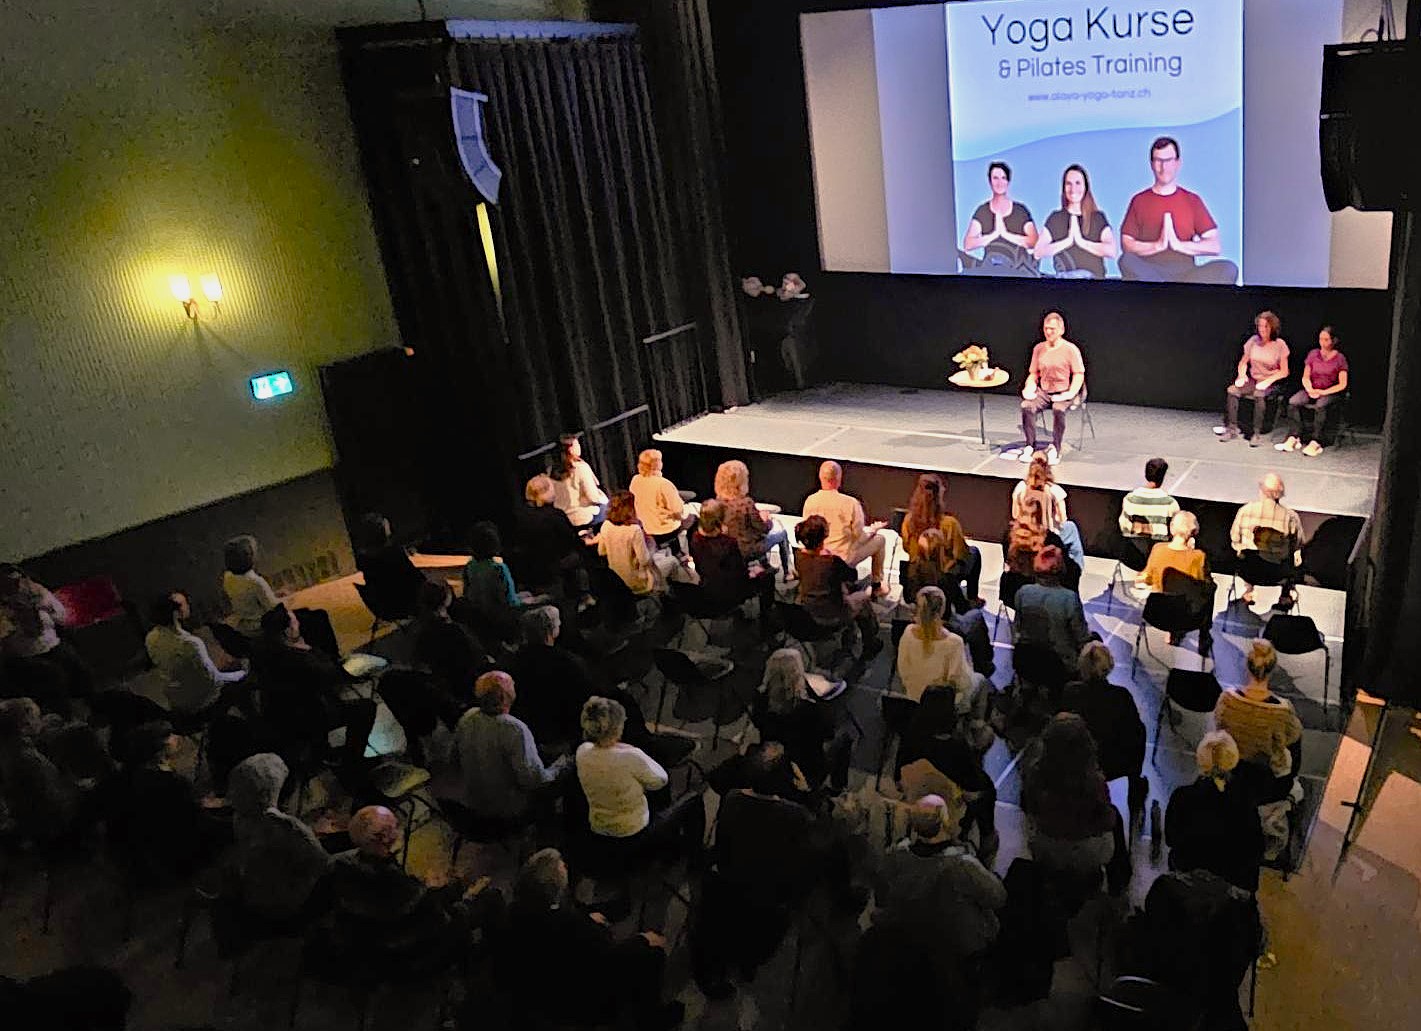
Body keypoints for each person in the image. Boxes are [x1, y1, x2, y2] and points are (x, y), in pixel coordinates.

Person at [499, 848, 682, 1030]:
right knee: (653, 954)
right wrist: (643, 940)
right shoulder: (575, 927)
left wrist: (587, 918)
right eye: (562, 867)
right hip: (579, 1004)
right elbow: (610, 962)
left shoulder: (513, 915)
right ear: (555, 886)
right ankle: (651, 1019)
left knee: (604, 913)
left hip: (534, 992)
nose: (566, 867)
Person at [872, 794, 1006, 961]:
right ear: (945, 822)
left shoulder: (895, 857)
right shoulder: (963, 865)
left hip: (908, 942)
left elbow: (881, 897)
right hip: (957, 952)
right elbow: (998, 897)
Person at [97, 720, 227, 881]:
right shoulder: (170, 782)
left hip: (145, 853)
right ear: (158, 747)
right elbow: (195, 818)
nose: (176, 737)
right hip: (175, 853)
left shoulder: (125, 778)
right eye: (169, 735)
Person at [575, 695, 704, 855]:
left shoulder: (582, 752)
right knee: (694, 800)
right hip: (633, 834)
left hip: (597, 831)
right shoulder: (631, 756)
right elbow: (660, 780)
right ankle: (691, 857)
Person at [253, 604, 376, 769]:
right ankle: (352, 762)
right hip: (306, 717)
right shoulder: (297, 658)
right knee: (365, 709)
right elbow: (332, 675)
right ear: (288, 631)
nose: (299, 625)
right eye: (295, 622)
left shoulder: (264, 653)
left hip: (281, 718)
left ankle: (323, 751)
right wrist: (310, 650)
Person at [227, 753, 333, 921]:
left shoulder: (241, 817)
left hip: (252, 893)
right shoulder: (288, 829)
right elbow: (322, 863)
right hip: (283, 906)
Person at [1118, 136, 1237, 284]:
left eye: (1168, 160)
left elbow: (1214, 246)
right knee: (1126, 260)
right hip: (1150, 272)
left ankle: (1170, 291)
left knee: (1228, 268)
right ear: (1152, 164)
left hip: (1187, 276)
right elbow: (1127, 244)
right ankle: (1162, 289)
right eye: (1158, 161)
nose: (1163, 167)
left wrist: (1179, 245)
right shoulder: (1139, 200)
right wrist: (1158, 245)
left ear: (1177, 163)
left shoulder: (1192, 200)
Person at [455, 670, 567, 824]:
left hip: (475, 805)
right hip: (508, 811)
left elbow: (454, 757)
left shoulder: (467, 717)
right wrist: (561, 764)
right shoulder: (514, 729)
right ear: (504, 697)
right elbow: (534, 781)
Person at [895, 687, 997, 857]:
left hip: (916, 795)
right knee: (987, 790)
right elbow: (973, 787)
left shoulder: (910, 735)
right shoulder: (956, 748)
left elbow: (898, 775)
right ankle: (987, 836)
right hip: (948, 802)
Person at [1020, 713, 1119, 881]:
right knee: (1115, 820)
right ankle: (1117, 880)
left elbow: (1028, 808)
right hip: (1085, 852)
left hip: (1046, 846)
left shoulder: (1035, 776)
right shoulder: (1094, 783)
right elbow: (1107, 821)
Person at [1061, 642, 1148, 828]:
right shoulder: (1122, 696)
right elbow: (1137, 734)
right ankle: (1136, 795)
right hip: (1116, 764)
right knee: (1139, 734)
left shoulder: (1071, 693)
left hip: (1082, 763)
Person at [1165, 731, 1265, 893]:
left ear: (1200, 761)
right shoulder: (1245, 803)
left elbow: (1170, 839)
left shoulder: (1182, 796)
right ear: (1233, 761)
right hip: (1230, 884)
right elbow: (1256, 849)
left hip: (1188, 878)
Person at [752, 648, 855, 792]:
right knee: (845, 737)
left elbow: (758, 722)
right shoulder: (808, 709)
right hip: (808, 766)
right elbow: (828, 733)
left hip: (775, 760)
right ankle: (838, 786)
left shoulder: (760, 700)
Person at [220, 535, 338, 657]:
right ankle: (330, 656)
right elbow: (275, 607)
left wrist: (273, 594)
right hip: (263, 626)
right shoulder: (255, 581)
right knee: (318, 617)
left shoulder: (228, 577)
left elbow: (249, 598)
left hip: (247, 626)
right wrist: (290, 597)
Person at [0, 564, 91, 712]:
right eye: (9, 583)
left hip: (52, 644)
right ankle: (63, 715)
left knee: (78, 667)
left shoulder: (35, 592)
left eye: (18, 580)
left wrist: (43, 604)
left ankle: (91, 707)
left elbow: (62, 618)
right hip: (23, 656)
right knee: (54, 676)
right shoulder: (4, 608)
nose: (17, 585)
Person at [901, 529, 993, 674]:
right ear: (941, 551)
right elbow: (962, 607)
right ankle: (984, 666)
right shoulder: (946, 579)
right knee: (976, 617)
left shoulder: (909, 571)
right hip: (943, 626)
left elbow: (907, 598)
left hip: (918, 622)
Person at [144, 591, 250, 716]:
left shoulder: (151, 638)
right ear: (176, 613)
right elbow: (213, 679)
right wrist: (242, 674)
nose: (188, 605)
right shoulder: (190, 643)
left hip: (176, 698)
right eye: (183, 603)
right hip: (201, 700)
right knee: (244, 677)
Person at [1213, 641, 1303, 787]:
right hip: (1267, 780)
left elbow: (1219, 728)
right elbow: (1293, 740)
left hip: (1231, 770)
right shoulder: (1282, 710)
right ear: (1273, 669)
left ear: (1247, 667)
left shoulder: (1226, 700)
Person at [793, 514, 882, 656]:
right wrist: (831, 556)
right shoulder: (832, 562)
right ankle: (871, 643)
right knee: (862, 598)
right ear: (824, 536)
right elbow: (852, 576)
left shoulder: (798, 556)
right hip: (832, 614)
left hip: (807, 611)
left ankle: (850, 637)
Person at [895, 588, 987, 722]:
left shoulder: (908, 633)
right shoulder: (954, 642)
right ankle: (976, 724)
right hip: (944, 704)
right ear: (942, 610)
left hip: (913, 698)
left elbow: (902, 670)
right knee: (981, 680)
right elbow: (961, 683)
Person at [0, 696, 81, 845]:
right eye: (37, 717)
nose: (41, 720)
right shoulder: (27, 758)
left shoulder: (11, 751)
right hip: (52, 828)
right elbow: (52, 799)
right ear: (25, 724)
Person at [802, 459, 887, 593]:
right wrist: (872, 530)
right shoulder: (850, 503)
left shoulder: (810, 501)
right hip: (842, 559)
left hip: (818, 554)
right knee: (880, 540)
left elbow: (806, 530)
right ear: (839, 479)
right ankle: (877, 586)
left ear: (820, 478)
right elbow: (859, 536)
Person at [689, 499, 774, 629]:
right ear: (721, 519)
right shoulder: (728, 543)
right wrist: (754, 572)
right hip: (732, 593)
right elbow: (740, 574)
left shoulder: (694, 538)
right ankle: (767, 623)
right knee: (768, 575)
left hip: (707, 589)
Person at [1013, 546, 1093, 679]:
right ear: (1061, 569)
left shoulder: (1023, 593)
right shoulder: (1069, 598)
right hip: (1062, 665)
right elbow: (1081, 637)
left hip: (1026, 660)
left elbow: (1018, 628)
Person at [1138, 511, 1215, 648]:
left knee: (1171, 594)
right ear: (1194, 532)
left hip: (1157, 614)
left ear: (1172, 528)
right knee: (1211, 589)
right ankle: (1204, 634)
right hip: (1189, 617)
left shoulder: (1158, 549)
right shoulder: (1199, 557)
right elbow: (1204, 585)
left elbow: (1147, 578)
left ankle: (1172, 632)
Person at [1016, 311, 1085, 465]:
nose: (1048, 332)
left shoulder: (1070, 349)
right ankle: (1029, 445)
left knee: (1058, 409)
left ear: (1061, 330)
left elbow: (1079, 374)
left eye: (1052, 329)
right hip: (1044, 391)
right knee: (1026, 406)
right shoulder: (1039, 348)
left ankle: (1056, 447)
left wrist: (1070, 393)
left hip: (1064, 391)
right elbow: (1034, 373)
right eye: (1046, 328)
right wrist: (1029, 387)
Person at [901, 473, 981, 602]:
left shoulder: (908, 521)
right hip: (944, 574)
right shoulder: (950, 524)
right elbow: (961, 554)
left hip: (917, 573)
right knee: (974, 552)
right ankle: (972, 597)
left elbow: (906, 547)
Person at [1229, 473, 1306, 606]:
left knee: (1243, 554)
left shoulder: (1245, 511)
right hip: (1278, 574)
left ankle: (1249, 590)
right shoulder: (1291, 517)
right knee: (1293, 557)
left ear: (1261, 491)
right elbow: (1298, 544)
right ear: (1280, 494)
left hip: (1248, 571)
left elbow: (1235, 538)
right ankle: (1285, 595)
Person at [512, 473, 590, 600]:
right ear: (547, 491)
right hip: (555, 566)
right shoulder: (555, 516)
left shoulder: (521, 517)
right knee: (580, 557)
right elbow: (571, 541)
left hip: (532, 568)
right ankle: (584, 597)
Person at [413, 578, 490, 706]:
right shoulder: (456, 630)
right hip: (468, 687)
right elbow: (478, 658)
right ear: (447, 598)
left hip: (443, 690)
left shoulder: (419, 631)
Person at [1034, 163, 1117, 278]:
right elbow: (1038, 252)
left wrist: (1081, 242)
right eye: (1069, 184)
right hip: (1063, 280)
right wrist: (1067, 241)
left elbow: (1112, 251)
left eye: (1078, 183)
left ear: (1085, 186)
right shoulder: (1056, 218)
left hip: (1092, 280)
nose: (1073, 189)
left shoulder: (1097, 218)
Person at [1219, 312, 1290, 445]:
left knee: (1259, 394)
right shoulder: (1253, 341)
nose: (1262, 329)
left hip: (1271, 382)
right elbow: (1243, 362)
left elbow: (1284, 371)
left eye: (1266, 326)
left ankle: (1256, 433)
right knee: (1232, 390)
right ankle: (1232, 428)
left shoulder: (1279, 344)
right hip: (1254, 379)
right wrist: (1242, 375)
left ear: (1272, 327)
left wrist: (1268, 381)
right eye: (1260, 326)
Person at [715, 459, 792, 579]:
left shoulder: (717, 504)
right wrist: (767, 520)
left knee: (754, 535)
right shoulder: (746, 504)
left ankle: (767, 566)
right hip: (749, 550)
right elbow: (763, 528)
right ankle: (788, 572)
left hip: (727, 550)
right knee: (781, 534)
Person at [1279, 325, 1349, 456]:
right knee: (1294, 401)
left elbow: (1342, 384)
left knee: (1321, 405)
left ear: (1333, 341)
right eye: (1321, 339)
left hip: (1330, 391)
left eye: (1326, 340)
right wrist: (1310, 389)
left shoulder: (1340, 358)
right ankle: (1295, 435)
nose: (1323, 342)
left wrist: (1323, 392)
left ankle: (1316, 440)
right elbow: (1305, 377)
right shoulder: (1313, 354)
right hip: (1312, 389)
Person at [596, 490, 682, 596]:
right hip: (638, 581)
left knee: (665, 553)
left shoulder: (606, 525)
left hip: (617, 579)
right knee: (673, 561)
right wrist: (651, 543)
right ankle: (672, 595)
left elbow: (601, 551)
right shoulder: (634, 530)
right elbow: (644, 560)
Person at [961, 160, 1038, 272]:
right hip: (989, 267)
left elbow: (1034, 241)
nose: (999, 182)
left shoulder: (1020, 211)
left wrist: (1006, 234)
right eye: (995, 178)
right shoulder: (982, 211)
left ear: (1008, 181)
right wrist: (994, 235)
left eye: (1003, 178)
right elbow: (968, 244)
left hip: (1016, 268)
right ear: (990, 181)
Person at [1012, 450, 1084, 568]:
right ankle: (1076, 567)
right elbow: (1062, 519)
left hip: (1024, 533)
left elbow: (1015, 515)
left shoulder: (1020, 488)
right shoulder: (1055, 490)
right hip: (1048, 536)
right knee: (1071, 527)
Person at [353, 512, 425, 616]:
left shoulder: (363, 559)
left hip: (382, 608)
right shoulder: (394, 554)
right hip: (406, 605)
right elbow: (417, 579)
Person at [462, 521, 523, 642]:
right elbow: (510, 602)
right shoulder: (498, 569)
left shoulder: (469, 566)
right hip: (499, 620)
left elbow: (467, 594)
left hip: (479, 618)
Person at [629, 448, 696, 556]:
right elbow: (679, 511)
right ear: (658, 464)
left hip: (645, 527)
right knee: (693, 515)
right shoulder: (663, 484)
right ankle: (684, 552)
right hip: (664, 530)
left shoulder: (635, 480)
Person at [1119, 457, 1180, 552]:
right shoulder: (1170, 503)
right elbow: (1176, 530)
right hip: (1160, 551)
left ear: (1146, 474)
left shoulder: (1130, 499)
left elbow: (1124, 525)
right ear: (1162, 476)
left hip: (1135, 550)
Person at [549, 433, 608, 529]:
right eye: (577, 444)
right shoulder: (580, 468)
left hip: (564, 519)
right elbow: (593, 497)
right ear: (571, 449)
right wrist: (604, 499)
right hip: (583, 516)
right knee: (612, 508)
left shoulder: (551, 471)